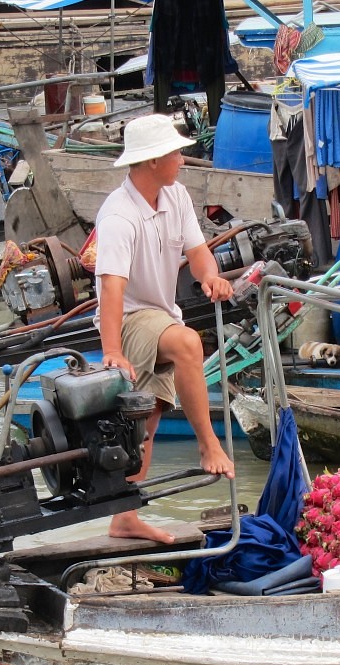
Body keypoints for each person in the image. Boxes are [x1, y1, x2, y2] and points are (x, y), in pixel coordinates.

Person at [94, 113, 236, 544]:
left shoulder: (175, 197)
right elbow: (110, 288)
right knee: (189, 343)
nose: (183, 159)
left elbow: (197, 252)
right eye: (176, 152)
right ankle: (210, 444)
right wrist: (112, 349)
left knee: (148, 419)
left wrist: (210, 276)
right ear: (153, 160)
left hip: (160, 312)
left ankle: (124, 515)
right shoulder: (119, 215)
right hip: (131, 316)